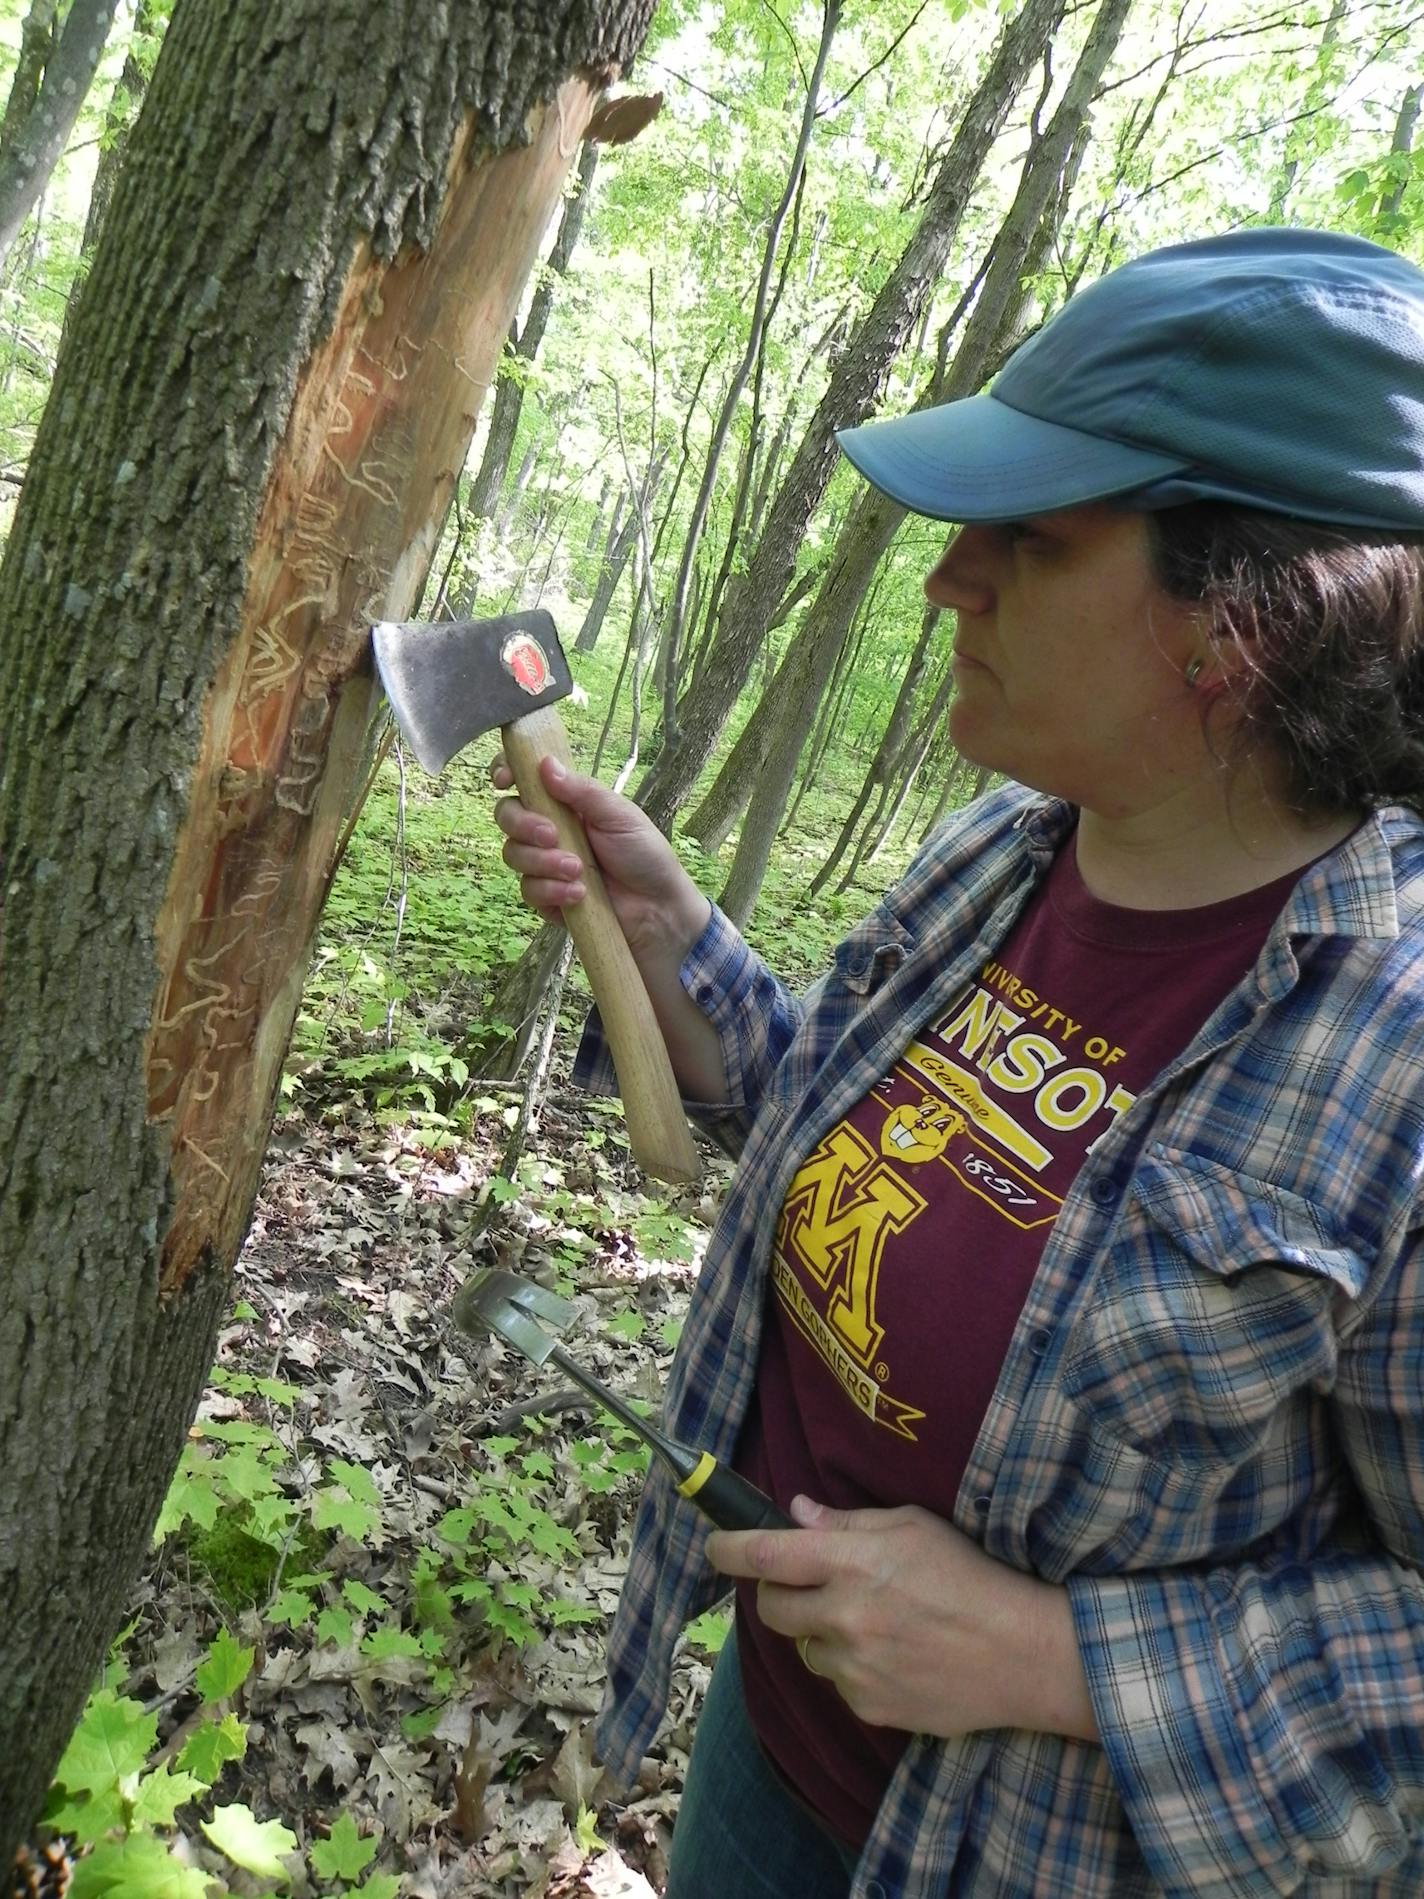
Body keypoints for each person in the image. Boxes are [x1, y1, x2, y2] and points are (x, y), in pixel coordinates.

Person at [491, 227, 1424, 1897]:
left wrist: (1054, 1662)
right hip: (772, 1748)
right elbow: (864, 1150)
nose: (946, 582)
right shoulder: (1003, 849)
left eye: (1033, 543)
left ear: (1251, 622)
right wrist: (669, 941)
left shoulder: (1398, 1051)